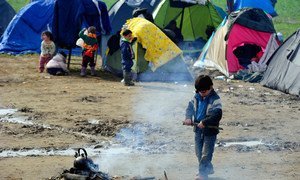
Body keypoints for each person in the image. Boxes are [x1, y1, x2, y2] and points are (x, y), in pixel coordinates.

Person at [183, 75, 222, 180]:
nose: (202, 93)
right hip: (198, 130)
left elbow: (217, 114)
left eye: (204, 91)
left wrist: (205, 122)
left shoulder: (215, 99)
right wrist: (188, 118)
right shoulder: (196, 96)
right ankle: (207, 169)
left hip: (210, 130)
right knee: (198, 152)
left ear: (211, 87)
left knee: (206, 153)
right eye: (200, 91)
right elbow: (190, 108)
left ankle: (202, 174)